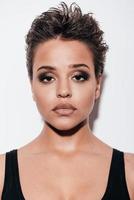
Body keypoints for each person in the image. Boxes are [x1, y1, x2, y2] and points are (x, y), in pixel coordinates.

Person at [0, 2, 134, 199]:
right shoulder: (2, 174)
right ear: (32, 86)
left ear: (97, 85)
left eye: (78, 76)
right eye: (48, 77)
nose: (63, 91)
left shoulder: (131, 174)